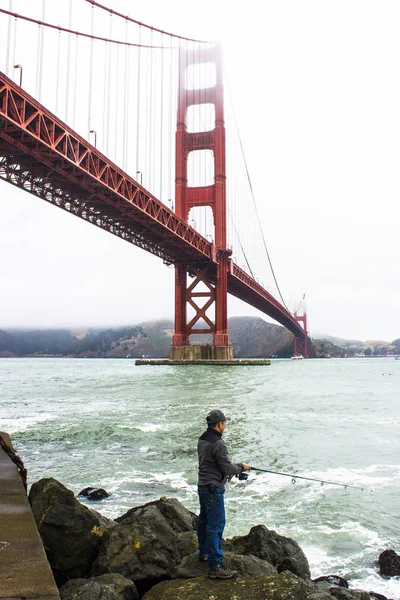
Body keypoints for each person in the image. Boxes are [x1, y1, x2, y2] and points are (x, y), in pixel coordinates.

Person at [197, 409, 251, 579]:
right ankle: (215, 566)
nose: (225, 425)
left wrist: (228, 469)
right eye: (224, 423)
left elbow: (213, 463)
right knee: (216, 525)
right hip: (214, 489)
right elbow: (227, 467)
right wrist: (241, 467)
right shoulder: (218, 443)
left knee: (204, 521)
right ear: (219, 424)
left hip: (203, 485)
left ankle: (204, 552)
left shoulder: (203, 439)